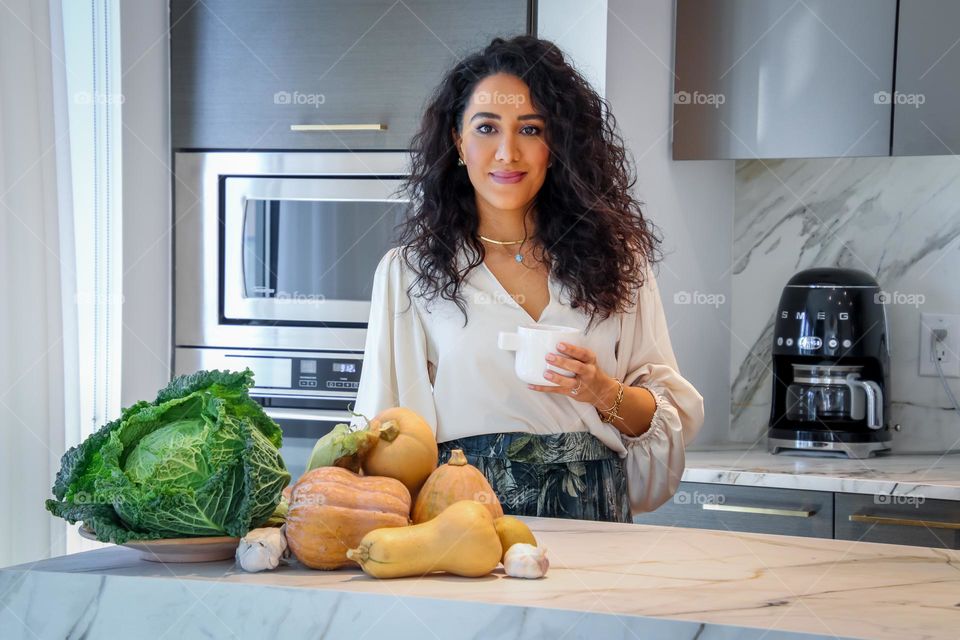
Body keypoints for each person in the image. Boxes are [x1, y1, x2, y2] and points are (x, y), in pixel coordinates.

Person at [353, 35, 704, 522]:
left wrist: (600, 389)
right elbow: (382, 431)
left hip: (599, 521)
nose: (507, 152)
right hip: (465, 521)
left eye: (531, 129)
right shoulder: (410, 271)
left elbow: (664, 419)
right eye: (486, 128)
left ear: (556, 145)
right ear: (458, 141)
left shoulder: (619, 261)